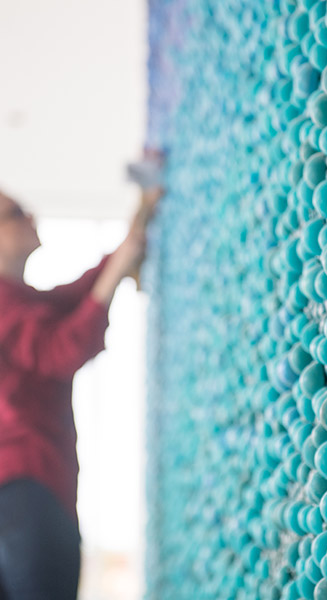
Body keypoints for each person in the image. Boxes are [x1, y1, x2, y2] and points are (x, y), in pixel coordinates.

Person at [0, 172, 164, 599]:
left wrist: (127, 245)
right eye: (15, 214)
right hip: (23, 491)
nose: (29, 217)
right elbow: (61, 350)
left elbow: (68, 298)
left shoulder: (17, 298)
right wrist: (115, 273)